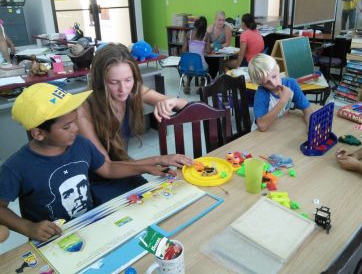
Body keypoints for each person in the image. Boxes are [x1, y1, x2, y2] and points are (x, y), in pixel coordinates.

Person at [0, 83, 174, 242]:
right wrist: (28, 228)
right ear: (38, 133)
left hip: (91, 224)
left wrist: (147, 167)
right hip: (51, 239)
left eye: (75, 120)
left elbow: (108, 168)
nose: (76, 128)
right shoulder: (16, 167)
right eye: (66, 127)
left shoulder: (81, 144)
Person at [77, 43, 193, 205]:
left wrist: (171, 101)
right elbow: (106, 168)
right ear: (99, 82)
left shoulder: (134, 89)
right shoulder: (84, 110)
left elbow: (188, 106)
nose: (123, 89)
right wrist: (158, 160)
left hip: (125, 168)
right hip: (95, 182)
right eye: (113, 82)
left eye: (128, 79)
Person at [248, 54, 313, 132]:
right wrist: (283, 100)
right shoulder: (261, 94)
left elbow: (307, 110)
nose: (274, 84)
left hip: (278, 126)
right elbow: (262, 126)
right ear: (260, 84)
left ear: (278, 69)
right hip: (259, 135)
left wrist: (311, 126)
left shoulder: (291, 84)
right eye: (267, 82)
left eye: (274, 76)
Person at [181, 16, 209, 94]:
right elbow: (208, 50)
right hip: (201, 65)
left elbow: (183, 50)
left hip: (188, 65)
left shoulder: (188, 33)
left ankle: (187, 84)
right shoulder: (206, 35)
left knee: (192, 66)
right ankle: (201, 86)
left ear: (195, 24)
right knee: (205, 68)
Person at [205, 11, 233, 79]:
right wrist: (208, 33)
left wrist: (218, 46)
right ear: (215, 20)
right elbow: (204, 41)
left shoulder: (227, 28)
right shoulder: (210, 27)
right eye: (219, 20)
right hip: (211, 52)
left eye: (223, 20)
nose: (221, 22)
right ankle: (208, 80)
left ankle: (212, 81)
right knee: (209, 64)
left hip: (221, 51)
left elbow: (228, 43)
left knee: (217, 64)